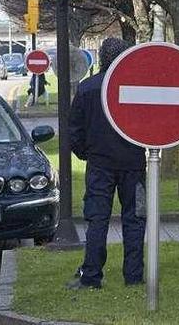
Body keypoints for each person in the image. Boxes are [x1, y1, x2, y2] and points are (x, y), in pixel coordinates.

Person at [67, 38, 146, 290]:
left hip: (100, 165)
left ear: (101, 58)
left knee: (97, 219)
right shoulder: (135, 87)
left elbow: (75, 132)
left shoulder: (87, 89)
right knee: (135, 219)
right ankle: (133, 277)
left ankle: (91, 276)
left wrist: (86, 154)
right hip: (134, 165)